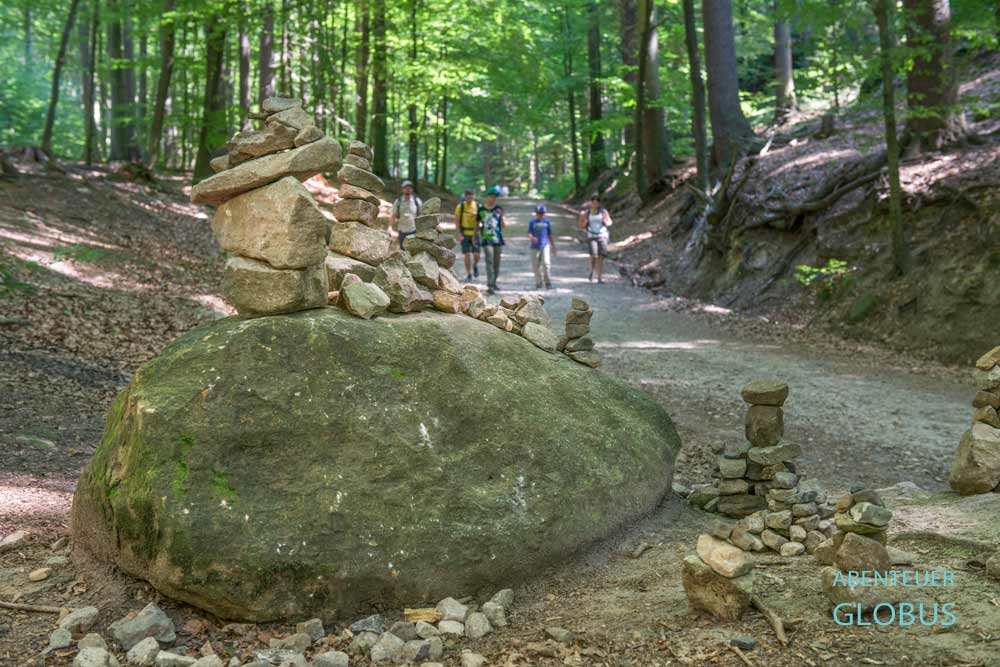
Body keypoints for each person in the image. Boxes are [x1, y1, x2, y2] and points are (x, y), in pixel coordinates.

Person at [577, 194, 612, 283]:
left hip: (602, 235)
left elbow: (610, 222)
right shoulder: (586, 213)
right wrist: (584, 223)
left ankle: (599, 277)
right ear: (591, 203)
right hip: (591, 235)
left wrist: (607, 222)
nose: (595, 204)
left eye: (597, 203)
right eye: (593, 202)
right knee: (593, 255)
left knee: (601, 256)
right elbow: (580, 225)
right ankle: (592, 271)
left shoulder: (604, 212)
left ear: (599, 203)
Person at [478, 186, 506, 293]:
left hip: (498, 239)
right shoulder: (481, 210)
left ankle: (494, 283)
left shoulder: (499, 209)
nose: (493, 198)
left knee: (496, 263)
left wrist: (502, 216)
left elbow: (503, 225)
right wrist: (475, 237)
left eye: (495, 197)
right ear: (488, 196)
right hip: (486, 239)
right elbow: (477, 224)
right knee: (489, 261)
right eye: (491, 196)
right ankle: (490, 285)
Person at [528, 204, 556, 289]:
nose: (540, 215)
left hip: (545, 245)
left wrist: (553, 246)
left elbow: (550, 234)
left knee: (546, 264)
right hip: (534, 247)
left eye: (542, 213)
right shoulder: (532, 222)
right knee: (535, 266)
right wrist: (532, 238)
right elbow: (529, 233)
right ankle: (538, 283)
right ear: (536, 213)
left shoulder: (547, 222)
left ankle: (548, 282)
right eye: (538, 213)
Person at [454, 189, 480, 281]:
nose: (470, 197)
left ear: (474, 196)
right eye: (468, 195)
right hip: (464, 233)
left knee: (477, 254)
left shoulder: (477, 206)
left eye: (471, 195)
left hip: (475, 233)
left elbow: (482, 219)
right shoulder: (460, 207)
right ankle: (469, 273)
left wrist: (477, 214)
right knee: (467, 254)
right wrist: (458, 232)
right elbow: (457, 220)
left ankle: (475, 265)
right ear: (465, 196)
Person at [390, 180, 421, 249]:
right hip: (402, 231)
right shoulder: (398, 201)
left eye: (410, 187)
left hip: (413, 230)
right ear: (402, 189)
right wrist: (390, 227)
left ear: (412, 189)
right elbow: (393, 215)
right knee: (402, 250)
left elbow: (423, 215)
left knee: (412, 251)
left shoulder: (417, 201)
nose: (408, 189)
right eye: (406, 187)